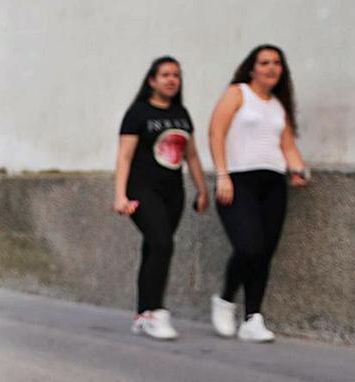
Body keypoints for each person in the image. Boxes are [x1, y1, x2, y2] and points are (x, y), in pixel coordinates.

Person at [208, 44, 308, 343]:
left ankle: (253, 318)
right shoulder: (238, 93)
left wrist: (299, 169)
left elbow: (287, 146)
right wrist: (222, 174)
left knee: (264, 254)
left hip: (273, 183)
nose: (271, 68)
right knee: (248, 247)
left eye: (277, 63)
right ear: (252, 68)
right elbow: (216, 132)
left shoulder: (278, 105)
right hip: (239, 180)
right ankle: (226, 300)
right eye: (264, 62)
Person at [114, 56, 208, 340]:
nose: (171, 80)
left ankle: (143, 314)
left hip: (173, 192)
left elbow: (190, 155)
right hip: (142, 189)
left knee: (155, 248)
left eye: (176, 75)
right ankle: (155, 312)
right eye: (165, 74)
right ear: (152, 80)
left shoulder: (182, 113)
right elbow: (125, 156)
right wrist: (119, 195)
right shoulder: (137, 113)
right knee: (162, 244)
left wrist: (202, 189)